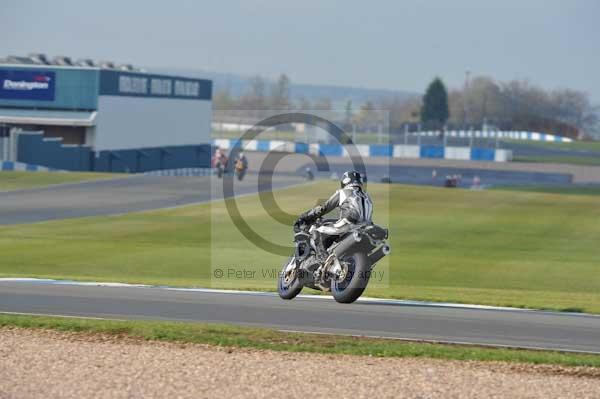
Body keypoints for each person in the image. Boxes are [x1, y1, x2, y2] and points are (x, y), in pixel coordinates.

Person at [294, 170, 373, 259]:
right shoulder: (367, 196)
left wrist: (305, 216)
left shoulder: (343, 192)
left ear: (345, 181)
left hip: (348, 225)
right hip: (366, 228)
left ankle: (322, 258)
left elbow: (323, 208)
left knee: (316, 231)